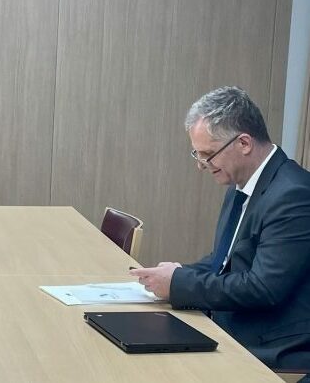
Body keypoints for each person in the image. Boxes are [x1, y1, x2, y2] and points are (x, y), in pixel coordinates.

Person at [131, 86, 310, 369]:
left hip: (271, 349)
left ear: (244, 143)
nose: (203, 165)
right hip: (230, 324)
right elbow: (225, 262)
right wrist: (177, 274)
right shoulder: (240, 183)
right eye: (198, 154)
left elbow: (263, 288)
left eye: (209, 154)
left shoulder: (294, 194)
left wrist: (180, 283)